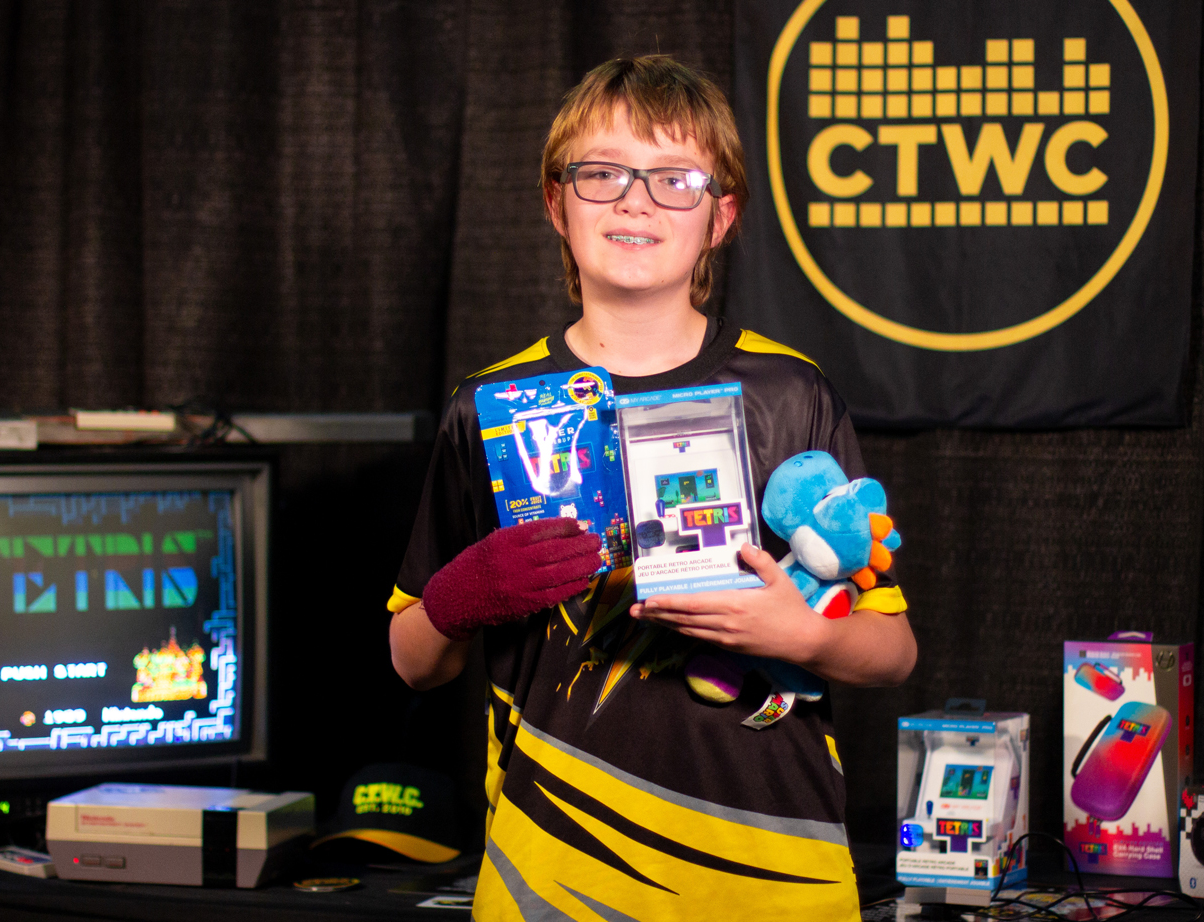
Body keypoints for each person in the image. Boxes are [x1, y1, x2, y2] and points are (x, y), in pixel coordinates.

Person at [388, 55, 916, 921]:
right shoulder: (486, 410)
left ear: (721, 216)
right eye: (602, 174)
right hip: (552, 874)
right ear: (557, 204)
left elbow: (893, 652)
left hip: (774, 876)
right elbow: (413, 661)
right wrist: (460, 596)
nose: (635, 200)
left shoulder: (793, 393)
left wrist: (799, 632)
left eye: (674, 178)